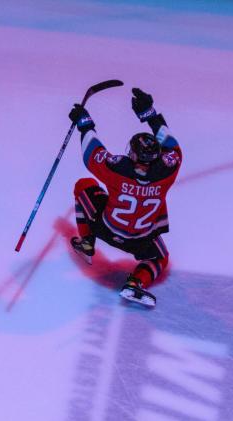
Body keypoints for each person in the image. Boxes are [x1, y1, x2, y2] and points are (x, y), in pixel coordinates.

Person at [68, 88, 182, 307]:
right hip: (141, 238)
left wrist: (85, 125)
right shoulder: (168, 170)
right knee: (160, 258)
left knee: (84, 186)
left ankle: (86, 243)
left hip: (107, 228)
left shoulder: (118, 168)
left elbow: (91, 153)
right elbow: (172, 147)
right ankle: (135, 283)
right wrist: (150, 115)